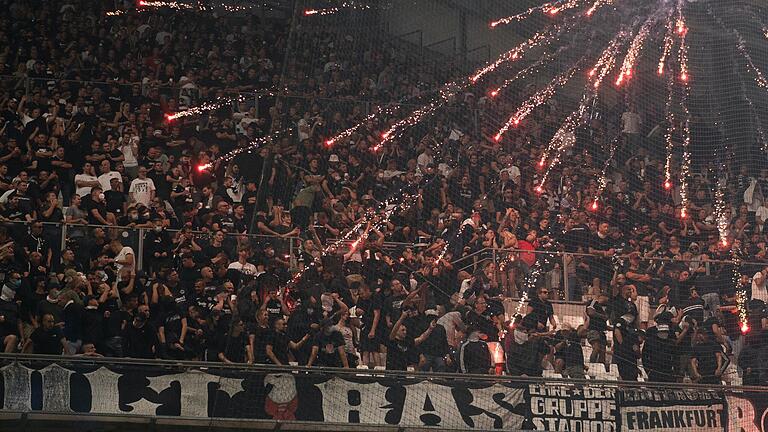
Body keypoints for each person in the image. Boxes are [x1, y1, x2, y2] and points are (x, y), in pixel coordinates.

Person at [585, 292, 609, 364]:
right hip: (594, 330)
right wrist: (602, 316)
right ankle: (592, 364)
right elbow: (590, 312)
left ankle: (601, 366)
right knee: (596, 348)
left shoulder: (605, 307)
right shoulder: (593, 303)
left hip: (602, 332)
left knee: (602, 351)